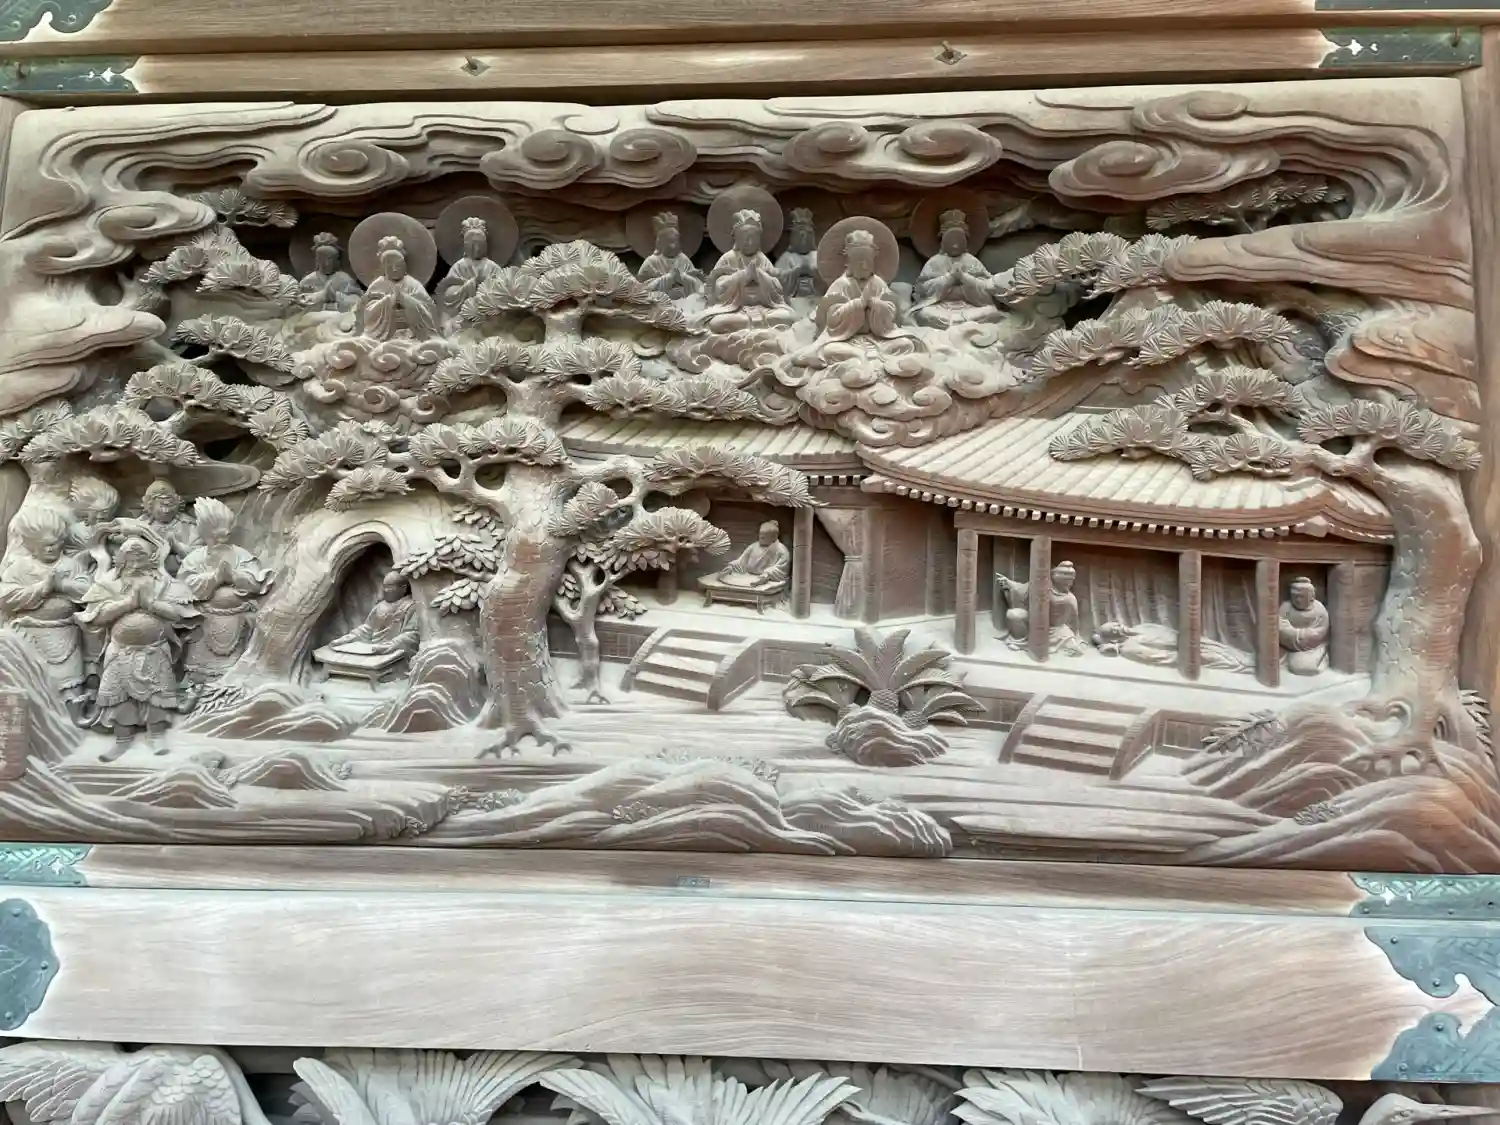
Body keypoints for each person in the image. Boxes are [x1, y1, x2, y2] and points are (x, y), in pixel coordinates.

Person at [76, 535, 198, 756]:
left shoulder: (164, 583)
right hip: (120, 651)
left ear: (151, 560)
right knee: (119, 698)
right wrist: (127, 604)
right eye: (129, 559)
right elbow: (96, 617)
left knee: (157, 698)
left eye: (140, 559)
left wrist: (151, 604)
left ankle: (157, 735)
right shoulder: (109, 583)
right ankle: (122, 739)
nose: (134, 565)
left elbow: (178, 614)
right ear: (120, 560)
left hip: (155, 649)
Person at [0, 508, 92, 710]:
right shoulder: (20, 568)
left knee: (69, 686)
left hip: (65, 635)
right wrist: (41, 589)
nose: (51, 549)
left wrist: (62, 586)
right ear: (32, 546)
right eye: (45, 545)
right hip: (29, 634)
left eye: (55, 544)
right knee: (32, 685)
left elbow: (90, 591)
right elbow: (5, 598)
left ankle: (70, 718)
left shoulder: (71, 566)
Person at [177, 498, 273, 683]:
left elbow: (257, 580)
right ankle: (197, 682)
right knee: (199, 667)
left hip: (237, 617)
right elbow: (184, 586)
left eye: (225, 531)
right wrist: (214, 578)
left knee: (234, 667)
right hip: (205, 618)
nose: (221, 537)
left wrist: (235, 576)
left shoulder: (240, 555)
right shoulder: (195, 558)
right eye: (215, 534)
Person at [699, 209, 795, 330]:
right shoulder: (729, 258)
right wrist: (741, 276)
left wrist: (760, 275)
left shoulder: (762, 259)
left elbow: (777, 288)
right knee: (718, 323)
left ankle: (753, 325)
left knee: (787, 317)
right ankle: (752, 326)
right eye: (744, 237)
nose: (749, 242)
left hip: (763, 308)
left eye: (753, 238)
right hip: (734, 310)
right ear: (736, 238)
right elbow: (718, 287)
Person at [815, 229, 910, 343]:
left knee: (905, 344)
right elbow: (832, 318)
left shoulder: (877, 283)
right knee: (830, 350)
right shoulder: (842, 284)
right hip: (846, 339)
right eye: (859, 262)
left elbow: (892, 311)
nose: (864, 266)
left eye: (868, 261)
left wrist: (875, 303)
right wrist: (858, 304)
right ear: (849, 262)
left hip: (878, 337)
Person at [913, 209, 1000, 327]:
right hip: (940, 308)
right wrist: (949, 278)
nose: (955, 244)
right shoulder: (935, 261)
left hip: (970, 307)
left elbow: (987, 289)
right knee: (924, 314)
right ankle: (961, 324)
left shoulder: (971, 261)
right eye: (950, 239)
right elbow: (923, 290)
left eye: (959, 239)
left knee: (991, 311)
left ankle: (959, 324)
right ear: (942, 241)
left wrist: (965, 278)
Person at [355, 235, 440, 341]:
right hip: (382, 332)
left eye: (398, 265)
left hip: (411, 332)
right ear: (383, 268)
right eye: (390, 267)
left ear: (404, 266)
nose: (394, 269)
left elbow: (428, 306)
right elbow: (367, 311)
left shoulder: (412, 283)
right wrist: (388, 301)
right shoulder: (378, 284)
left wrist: (407, 300)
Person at [327, 571, 420, 660]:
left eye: (390, 587)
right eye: (384, 587)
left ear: (403, 588)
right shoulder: (380, 606)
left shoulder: (411, 607)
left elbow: (412, 635)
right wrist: (349, 638)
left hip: (393, 652)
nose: (385, 590)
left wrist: (391, 645)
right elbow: (368, 629)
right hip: (372, 648)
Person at [435, 216, 504, 324]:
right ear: (464, 246)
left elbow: (503, 289)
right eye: (472, 245)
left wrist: (486, 288)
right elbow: (448, 293)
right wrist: (470, 285)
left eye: (480, 245)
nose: (476, 249)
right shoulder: (459, 266)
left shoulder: (492, 267)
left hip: (488, 313)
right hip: (463, 314)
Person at [637, 211, 703, 299]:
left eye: (676, 241)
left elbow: (698, 285)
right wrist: (668, 278)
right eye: (669, 242)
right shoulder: (651, 262)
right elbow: (642, 289)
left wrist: (683, 277)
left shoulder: (683, 259)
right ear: (660, 242)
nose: (673, 246)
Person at [140, 480, 200, 575]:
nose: (166, 510)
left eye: (170, 505)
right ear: (150, 506)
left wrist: (178, 547)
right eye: (161, 506)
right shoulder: (141, 525)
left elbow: (201, 553)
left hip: (183, 575)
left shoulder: (188, 525)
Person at [298, 231, 363, 313]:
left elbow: (358, 302)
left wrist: (337, 297)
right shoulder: (308, 280)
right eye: (322, 259)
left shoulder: (343, 279)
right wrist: (321, 296)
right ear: (316, 260)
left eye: (330, 259)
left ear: (337, 261)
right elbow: (298, 304)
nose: (326, 263)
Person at [715, 521, 791, 591]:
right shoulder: (753, 546)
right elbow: (741, 561)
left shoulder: (781, 550)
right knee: (727, 580)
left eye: (764, 537)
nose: (760, 537)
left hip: (764, 578)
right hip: (748, 576)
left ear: (774, 537)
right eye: (760, 535)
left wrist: (767, 574)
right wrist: (731, 567)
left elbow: (781, 568)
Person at [1279, 576, 1330, 676]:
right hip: (1286, 645)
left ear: (1311, 597)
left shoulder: (1318, 610)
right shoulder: (1286, 608)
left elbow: (1320, 631)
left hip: (1312, 648)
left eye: (1301, 596)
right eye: (1295, 596)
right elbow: (1281, 624)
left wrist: (1298, 635)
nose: (1298, 600)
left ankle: (1321, 658)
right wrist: (1297, 634)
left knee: (1301, 666)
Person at [775, 208, 821, 300]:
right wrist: (796, 272)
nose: (803, 238)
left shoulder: (818, 257)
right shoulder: (786, 257)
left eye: (807, 234)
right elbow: (777, 280)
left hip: (815, 300)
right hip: (792, 301)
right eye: (799, 235)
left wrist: (812, 272)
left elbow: (827, 278)